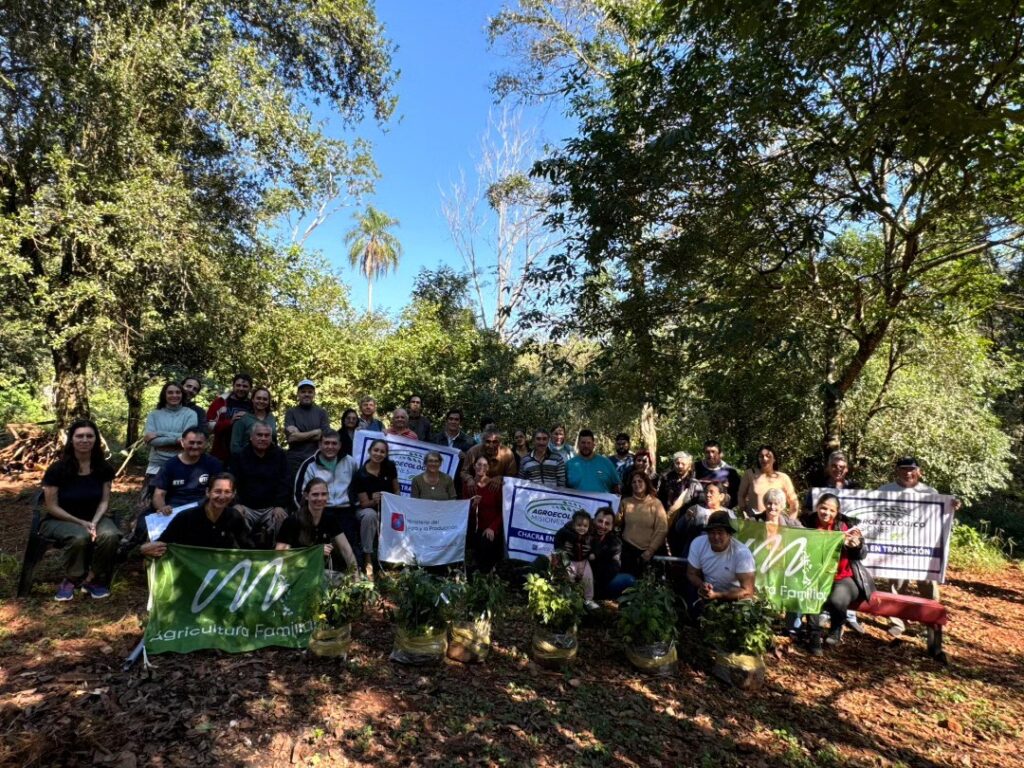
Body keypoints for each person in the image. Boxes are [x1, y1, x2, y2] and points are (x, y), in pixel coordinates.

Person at [876, 456, 960, 637]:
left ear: (919, 472)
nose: (908, 473)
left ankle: (930, 622)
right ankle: (897, 622)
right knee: (896, 585)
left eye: (912, 469)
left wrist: (952, 506)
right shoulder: (884, 490)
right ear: (896, 471)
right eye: (904, 469)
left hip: (923, 550)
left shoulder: (930, 492)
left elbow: (941, 515)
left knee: (928, 585)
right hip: (895, 549)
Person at [41, 420, 121, 601]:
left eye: (89, 436)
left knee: (111, 535)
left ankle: (92, 578)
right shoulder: (57, 469)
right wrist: (80, 523)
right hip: (59, 520)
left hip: (93, 516)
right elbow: (51, 506)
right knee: (80, 536)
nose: (85, 440)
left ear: (96, 440)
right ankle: (71, 578)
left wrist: (93, 522)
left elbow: (104, 501)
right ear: (71, 440)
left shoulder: (103, 468)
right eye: (80, 436)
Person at [799, 493, 875, 655]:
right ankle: (813, 635)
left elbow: (861, 554)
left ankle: (835, 629)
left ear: (837, 512)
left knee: (836, 598)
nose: (826, 513)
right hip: (815, 576)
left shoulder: (845, 526)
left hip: (844, 577)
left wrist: (856, 546)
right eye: (823, 508)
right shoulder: (806, 523)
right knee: (811, 594)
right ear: (817, 507)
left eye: (831, 510)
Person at [141, 473, 254, 555]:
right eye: (217, 491)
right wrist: (144, 549)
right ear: (208, 492)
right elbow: (164, 542)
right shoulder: (186, 516)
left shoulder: (234, 516)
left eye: (227, 492)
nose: (222, 497)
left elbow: (248, 547)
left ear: (234, 494)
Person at [276, 478, 358, 572]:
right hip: (295, 573)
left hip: (320, 572)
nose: (320, 498)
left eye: (324, 494)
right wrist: (316, 553)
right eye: (315, 494)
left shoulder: (330, 519)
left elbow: (346, 550)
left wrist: (356, 577)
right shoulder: (292, 521)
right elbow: (280, 556)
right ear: (306, 496)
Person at [229, 423, 290, 546]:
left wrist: (279, 505)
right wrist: (236, 504)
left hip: (271, 507)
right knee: (233, 516)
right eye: (259, 435)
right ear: (251, 437)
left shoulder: (280, 455)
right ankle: (239, 556)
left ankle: (279, 558)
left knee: (283, 520)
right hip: (246, 507)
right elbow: (232, 483)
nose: (263, 438)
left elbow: (286, 481)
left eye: (267, 435)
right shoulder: (239, 456)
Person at [685, 511, 756, 616]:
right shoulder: (698, 543)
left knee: (746, 602)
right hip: (708, 592)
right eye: (712, 532)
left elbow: (748, 590)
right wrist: (702, 585)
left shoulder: (742, 553)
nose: (716, 537)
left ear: (729, 534)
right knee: (688, 591)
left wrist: (718, 595)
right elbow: (691, 573)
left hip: (734, 596)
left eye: (720, 532)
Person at [141, 382, 198, 505]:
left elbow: (188, 439)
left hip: (182, 463)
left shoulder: (190, 414)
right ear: (164, 395)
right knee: (148, 505)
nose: (174, 395)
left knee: (178, 504)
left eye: (178, 392)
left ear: (182, 395)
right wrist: (177, 439)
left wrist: (159, 433)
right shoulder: (154, 415)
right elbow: (152, 440)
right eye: (170, 392)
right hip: (156, 464)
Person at [351, 439, 400, 574]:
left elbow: (396, 489)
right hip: (366, 510)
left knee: (400, 516)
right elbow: (364, 504)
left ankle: (397, 558)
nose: (378, 454)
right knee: (371, 515)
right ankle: (368, 557)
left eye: (382, 451)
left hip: (388, 508)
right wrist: (374, 500)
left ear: (386, 454)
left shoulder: (390, 467)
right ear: (369, 451)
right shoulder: (360, 474)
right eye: (376, 450)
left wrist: (395, 501)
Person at [151, 427, 223, 514]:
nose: (195, 446)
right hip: (175, 508)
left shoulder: (213, 463)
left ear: (205, 444)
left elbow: (222, 490)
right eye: (191, 443)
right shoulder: (170, 465)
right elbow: (159, 494)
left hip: (203, 508)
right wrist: (162, 507)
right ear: (182, 442)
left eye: (199, 443)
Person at [616, 471, 668, 576]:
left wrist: (650, 550)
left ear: (646, 483)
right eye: (633, 482)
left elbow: (662, 529)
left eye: (640, 481)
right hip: (628, 551)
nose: (637, 484)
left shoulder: (656, 503)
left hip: (648, 553)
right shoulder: (625, 502)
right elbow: (617, 523)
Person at [669, 481, 736, 562]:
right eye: (706, 492)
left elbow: (735, 535)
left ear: (721, 496)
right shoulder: (695, 510)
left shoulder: (729, 514)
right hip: (696, 557)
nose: (708, 495)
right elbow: (679, 529)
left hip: (721, 559)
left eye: (712, 492)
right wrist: (686, 518)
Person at [284, 379, 330, 487]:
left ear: (314, 394)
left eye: (310, 392)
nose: (306, 394)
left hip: (315, 458)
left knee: (315, 489)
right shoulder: (291, 412)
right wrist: (315, 432)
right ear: (298, 394)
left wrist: (299, 435)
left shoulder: (321, 412)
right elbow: (291, 438)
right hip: (295, 459)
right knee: (294, 487)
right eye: (303, 392)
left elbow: (323, 436)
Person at [736, 445, 800, 518]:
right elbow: (740, 495)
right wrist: (744, 513)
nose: (764, 459)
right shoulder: (750, 474)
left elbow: (794, 501)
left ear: (774, 459)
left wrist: (790, 521)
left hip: (777, 522)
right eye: (761, 456)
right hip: (754, 521)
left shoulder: (783, 477)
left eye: (768, 456)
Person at [553, 510, 600, 610]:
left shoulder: (591, 534)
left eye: (585, 526)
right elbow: (557, 539)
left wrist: (593, 553)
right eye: (579, 525)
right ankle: (568, 599)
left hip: (584, 562)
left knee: (588, 579)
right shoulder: (565, 532)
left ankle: (589, 600)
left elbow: (595, 544)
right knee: (569, 578)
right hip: (570, 561)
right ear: (573, 524)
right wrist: (560, 551)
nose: (582, 528)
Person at [464, 456, 503, 574]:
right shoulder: (467, 485)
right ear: (474, 466)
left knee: (487, 543)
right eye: (479, 464)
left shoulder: (495, 486)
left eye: (485, 465)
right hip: (473, 528)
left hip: (490, 527)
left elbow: (503, 511)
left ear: (488, 468)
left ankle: (485, 575)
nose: (481, 467)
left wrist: (492, 528)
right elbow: (463, 512)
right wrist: (473, 506)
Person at [206, 373, 254, 461]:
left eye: (245, 386)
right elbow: (208, 426)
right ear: (233, 386)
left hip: (246, 454)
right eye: (238, 385)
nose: (241, 388)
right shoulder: (220, 402)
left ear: (250, 388)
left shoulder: (253, 406)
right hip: (220, 452)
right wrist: (230, 422)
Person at [591, 506, 635, 600]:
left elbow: (614, 567)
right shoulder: (583, 532)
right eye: (600, 521)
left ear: (611, 527)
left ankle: (609, 602)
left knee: (629, 580)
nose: (602, 526)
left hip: (601, 580)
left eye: (607, 523)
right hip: (581, 576)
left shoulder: (615, 543)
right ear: (593, 519)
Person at [460, 429, 517, 493]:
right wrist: (469, 479)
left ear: (500, 443)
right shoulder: (473, 452)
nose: (491, 446)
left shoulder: (507, 454)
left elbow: (513, 476)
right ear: (483, 442)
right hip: (476, 489)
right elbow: (464, 472)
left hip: (498, 491)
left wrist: (501, 478)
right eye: (488, 442)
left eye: (495, 442)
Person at [659, 451, 704, 529]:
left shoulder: (694, 485)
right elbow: (660, 499)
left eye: (683, 464)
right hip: (665, 520)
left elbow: (699, 506)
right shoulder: (665, 480)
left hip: (685, 524)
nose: (680, 466)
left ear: (689, 466)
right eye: (677, 463)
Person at [567, 430, 621, 494]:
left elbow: (617, 487)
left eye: (588, 443)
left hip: (603, 503)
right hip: (577, 503)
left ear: (593, 444)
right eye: (583, 443)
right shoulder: (569, 465)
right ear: (578, 444)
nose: (586, 446)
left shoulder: (606, 463)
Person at [230, 386, 277, 457]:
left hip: (269, 460)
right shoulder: (242, 418)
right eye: (258, 398)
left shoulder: (271, 417)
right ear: (252, 399)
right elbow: (234, 447)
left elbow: (274, 441)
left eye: (265, 399)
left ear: (268, 401)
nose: (261, 401)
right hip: (247, 461)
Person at [694, 440, 741, 507]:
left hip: (720, 511)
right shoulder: (696, 467)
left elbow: (737, 494)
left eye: (713, 452)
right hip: (698, 508)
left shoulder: (730, 471)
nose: (711, 455)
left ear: (720, 453)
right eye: (707, 452)